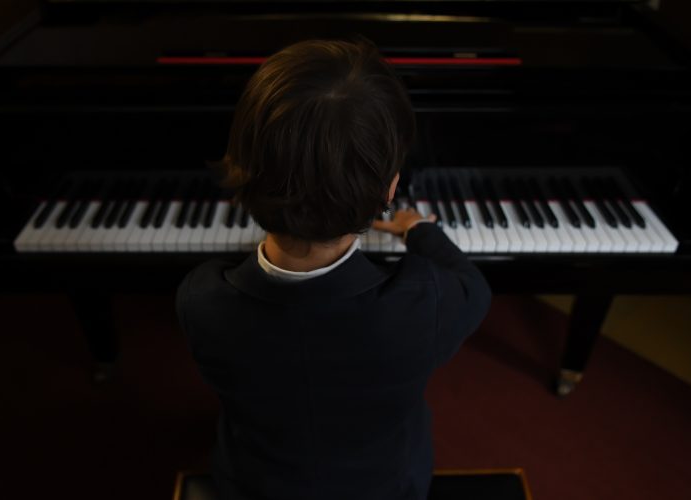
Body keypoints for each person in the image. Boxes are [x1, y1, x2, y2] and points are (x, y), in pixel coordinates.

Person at [176, 39, 491, 500]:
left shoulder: (199, 297)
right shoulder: (425, 304)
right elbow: (475, 287)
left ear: (241, 171)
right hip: (385, 486)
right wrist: (419, 231)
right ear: (389, 190)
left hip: (252, 484)